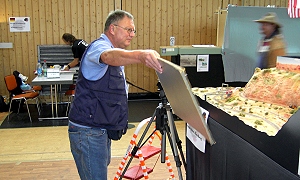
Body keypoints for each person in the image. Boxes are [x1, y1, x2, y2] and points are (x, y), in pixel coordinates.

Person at [67, 9, 163, 180]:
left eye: (133, 30)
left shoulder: (114, 51)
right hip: (89, 130)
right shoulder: (99, 48)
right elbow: (108, 56)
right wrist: (141, 56)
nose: (132, 34)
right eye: (128, 29)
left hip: (98, 129)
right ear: (112, 28)